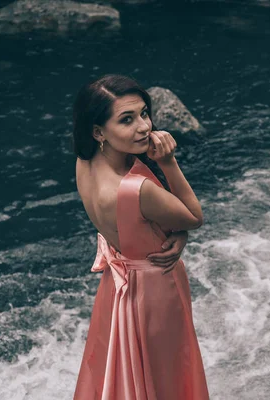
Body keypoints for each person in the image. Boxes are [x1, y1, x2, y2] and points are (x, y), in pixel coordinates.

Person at [71, 74, 210, 400]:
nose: (145, 127)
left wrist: (172, 233)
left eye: (144, 113)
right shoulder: (137, 189)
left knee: (122, 369)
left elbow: (122, 224)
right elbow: (193, 217)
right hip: (154, 288)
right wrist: (168, 161)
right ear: (98, 131)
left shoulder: (85, 162)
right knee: (165, 377)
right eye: (127, 120)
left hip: (117, 285)